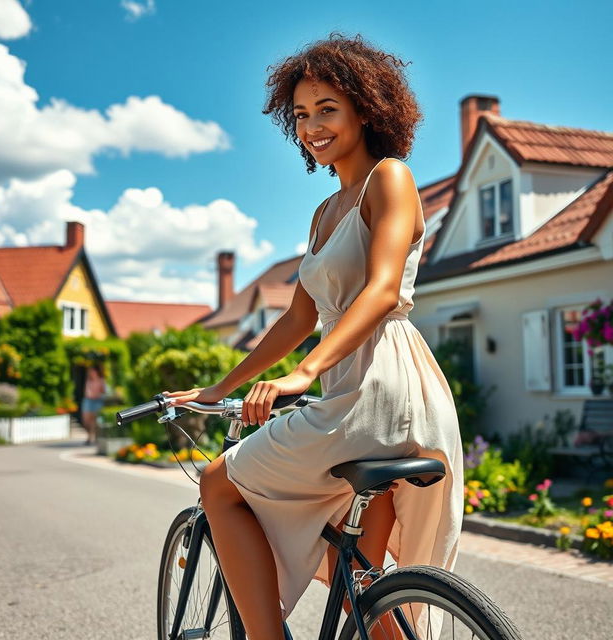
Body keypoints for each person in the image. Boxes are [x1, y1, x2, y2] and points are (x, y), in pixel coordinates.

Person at [163, 32, 463, 640]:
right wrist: (221, 385)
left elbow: (381, 291)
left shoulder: (391, 179)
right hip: (355, 388)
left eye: (328, 108)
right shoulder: (326, 212)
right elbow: (297, 319)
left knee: (220, 484)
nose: (312, 126)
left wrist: (304, 374)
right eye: (301, 114)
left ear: (366, 108)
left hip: (381, 385)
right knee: (358, 576)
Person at [81, 364, 106, 445]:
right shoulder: (89, 380)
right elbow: (87, 391)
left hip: (97, 401)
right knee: (86, 420)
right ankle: (90, 435)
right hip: (88, 400)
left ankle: (91, 437)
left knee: (94, 421)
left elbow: (103, 391)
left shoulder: (101, 380)